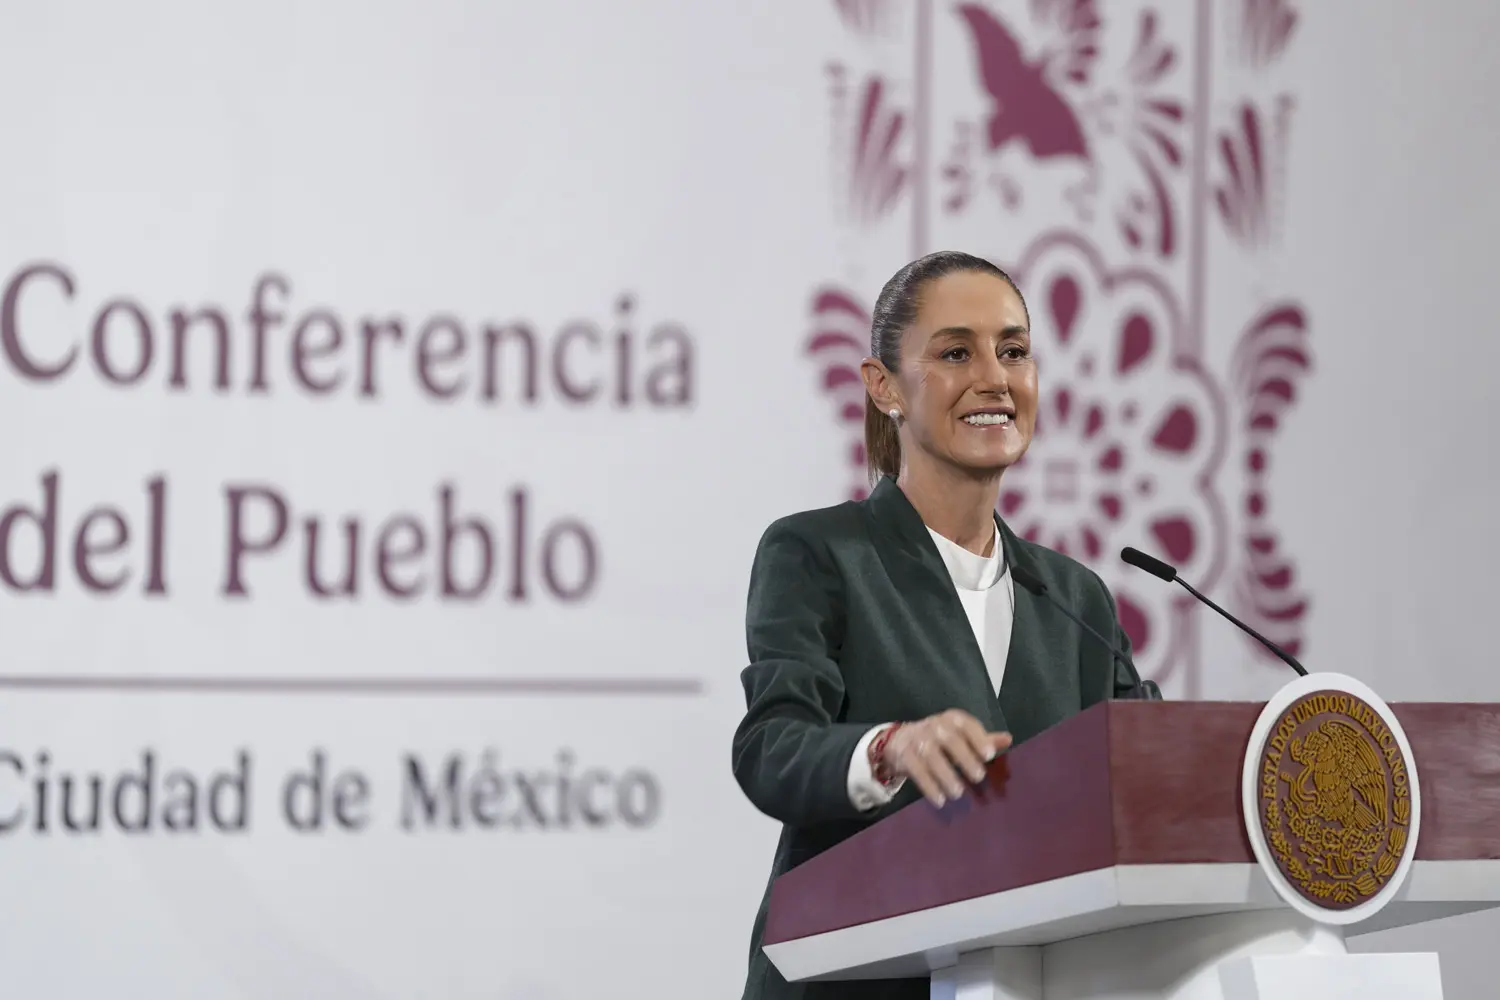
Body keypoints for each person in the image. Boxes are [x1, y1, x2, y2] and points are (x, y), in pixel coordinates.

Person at [731, 250, 1146, 1000]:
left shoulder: (1076, 598)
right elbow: (771, 747)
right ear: (883, 386)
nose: (995, 378)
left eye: (1013, 351)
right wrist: (891, 747)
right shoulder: (820, 553)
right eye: (957, 352)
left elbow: (1144, 779)